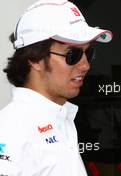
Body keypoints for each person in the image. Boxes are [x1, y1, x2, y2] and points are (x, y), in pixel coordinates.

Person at [0, 0, 112, 175]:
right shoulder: (11, 130)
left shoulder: (60, 117)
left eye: (88, 53)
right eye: (72, 54)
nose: (85, 66)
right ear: (35, 58)